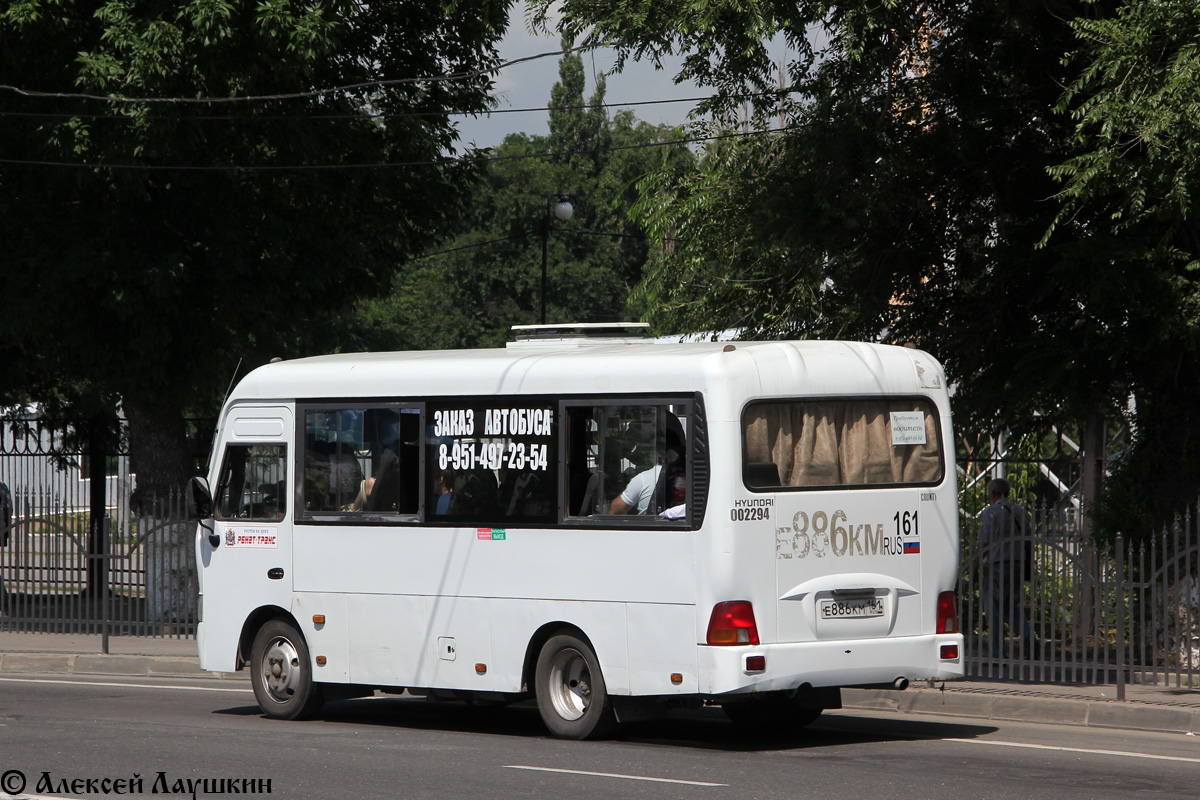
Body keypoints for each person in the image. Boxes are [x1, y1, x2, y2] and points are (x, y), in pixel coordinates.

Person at [972, 477, 1036, 658]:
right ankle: (1028, 636)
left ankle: (997, 652)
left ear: (991, 493)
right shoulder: (1020, 511)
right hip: (1017, 565)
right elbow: (1029, 541)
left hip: (997, 566)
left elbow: (985, 544)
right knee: (1012, 607)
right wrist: (1029, 566)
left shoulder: (990, 513)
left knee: (993, 611)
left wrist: (974, 568)